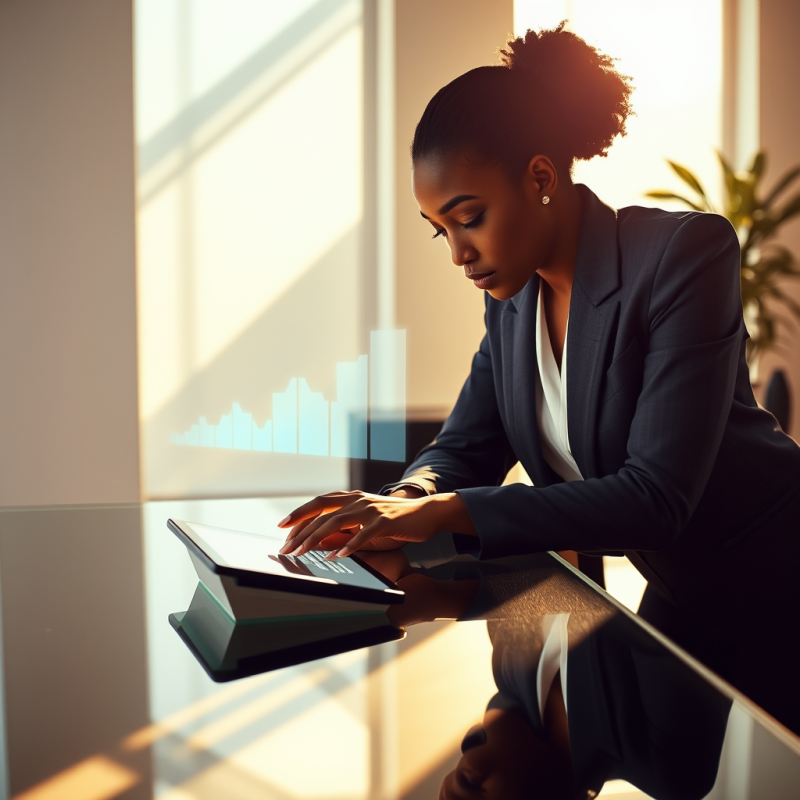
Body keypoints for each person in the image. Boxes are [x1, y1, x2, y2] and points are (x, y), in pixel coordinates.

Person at [278, 24, 800, 731]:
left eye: (469, 219)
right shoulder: (513, 305)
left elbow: (656, 496)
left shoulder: (682, 257)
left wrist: (436, 515)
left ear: (542, 179)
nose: (458, 253)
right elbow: (463, 449)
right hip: (682, 597)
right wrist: (400, 504)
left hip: (778, 585)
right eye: (441, 229)